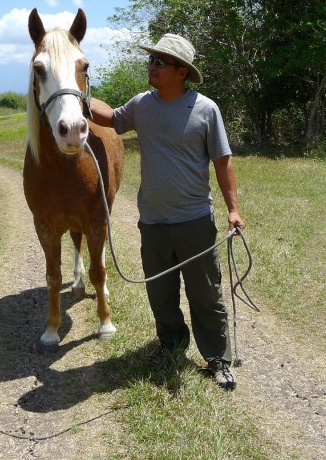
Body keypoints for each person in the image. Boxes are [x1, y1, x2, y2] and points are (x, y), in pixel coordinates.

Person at [90, 33, 244, 391]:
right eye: (152, 60)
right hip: (154, 222)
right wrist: (77, 96)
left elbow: (223, 163)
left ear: (182, 72)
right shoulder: (142, 104)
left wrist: (233, 210)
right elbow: (112, 119)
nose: (152, 66)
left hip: (194, 221)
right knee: (161, 293)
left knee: (205, 293)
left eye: (160, 62)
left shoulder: (206, 109)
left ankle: (217, 358)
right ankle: (171, 344)